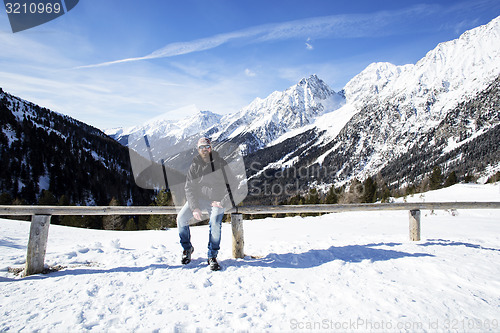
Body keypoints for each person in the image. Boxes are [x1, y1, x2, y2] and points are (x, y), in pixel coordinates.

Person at [176, 137, 235, 271]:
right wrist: (194, 206)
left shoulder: (221, 163)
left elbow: (233, 184)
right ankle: (187, 248)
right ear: (198, 149)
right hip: (198, 200)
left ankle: (212, 255)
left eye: (207, 147)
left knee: (215, 223)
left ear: (211, 148)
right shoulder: (195, 165)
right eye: (201, 147)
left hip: (217, 201)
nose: (204, 150)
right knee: (181, 218)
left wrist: (224, 201)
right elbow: (189, 188)